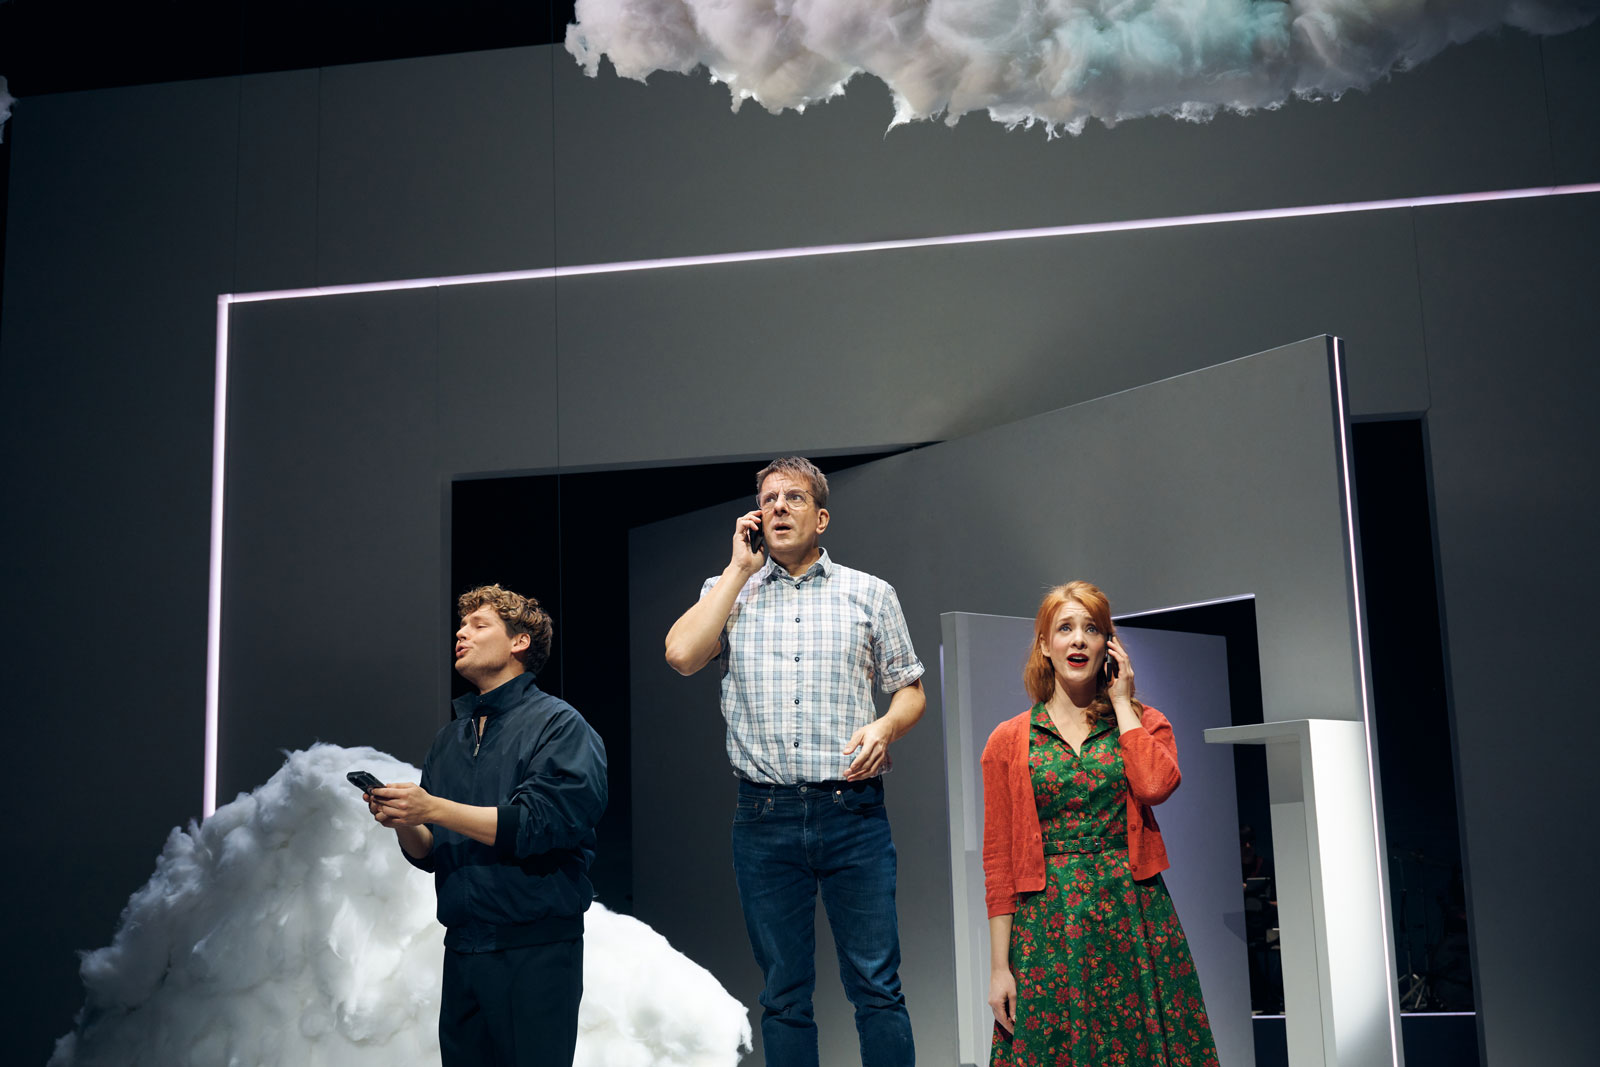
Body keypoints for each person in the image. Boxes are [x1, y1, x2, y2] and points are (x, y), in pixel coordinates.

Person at [664, 456, 926, 1067]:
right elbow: (680, 655)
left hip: (852, 811)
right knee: (783, 995)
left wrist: (886, 725)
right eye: (768, 499)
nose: (778, 507)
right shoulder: (728, 590)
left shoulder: (870, 592)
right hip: (764, 817)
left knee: (877, 987)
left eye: (794, 498)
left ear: (822, 517)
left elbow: (910, 689)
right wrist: (738, 568)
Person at [365, 584, 608, 1067]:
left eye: (479, 625)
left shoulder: (559, 724)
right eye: (461, 625)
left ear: (519, 642)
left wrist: (432, 808)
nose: (462, 634)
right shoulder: (449, 739)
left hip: (533, 948)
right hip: (462, 949)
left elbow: (541, 822)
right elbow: (431, 852)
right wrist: (404, 820)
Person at [981, 581, 1218, 1066]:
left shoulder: (1144, 722)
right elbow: (999, 862)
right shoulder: (1008, 740)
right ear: (1045, 645)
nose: (1078, 639)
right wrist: (999, 968)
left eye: (1091, 629)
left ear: (1109, 645)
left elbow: (1155, 786)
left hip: (1133, 914)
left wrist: (1124, 703)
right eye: (1065, 628)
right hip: (1048, 923)